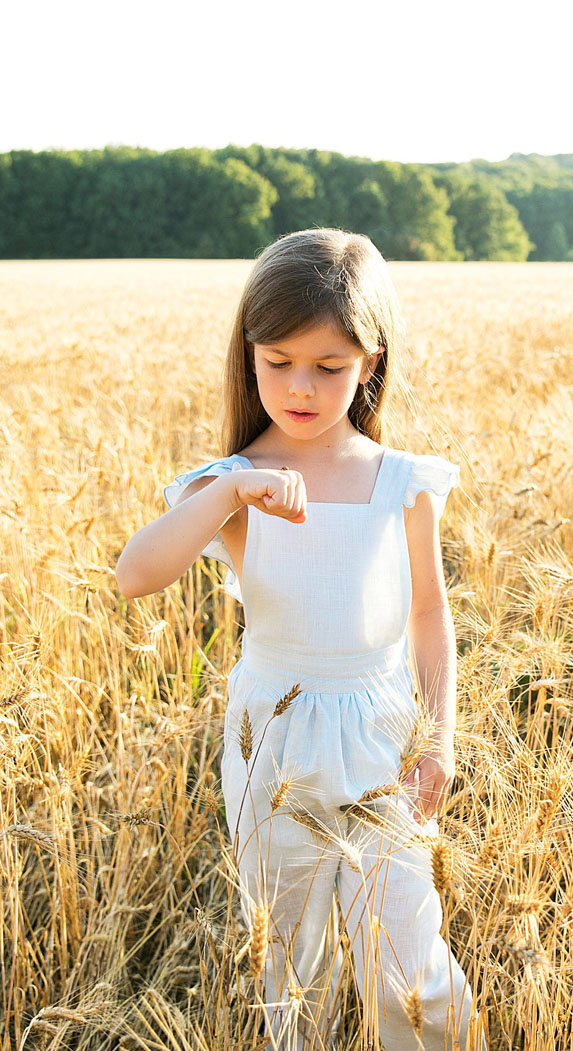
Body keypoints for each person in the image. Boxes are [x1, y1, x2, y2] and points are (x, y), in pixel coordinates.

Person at [115, 228, 485, 1051]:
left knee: (410, 958)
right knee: (292, 962)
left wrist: (441, 737)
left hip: (385, 739)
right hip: (271, 742)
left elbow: (429, 612)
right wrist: (231, 488)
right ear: (248, 353)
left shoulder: (402, 481)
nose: (302, 387)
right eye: (277, 360)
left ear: (371, 359)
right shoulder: (231, 483)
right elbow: (135, 572)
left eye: (329, 365)